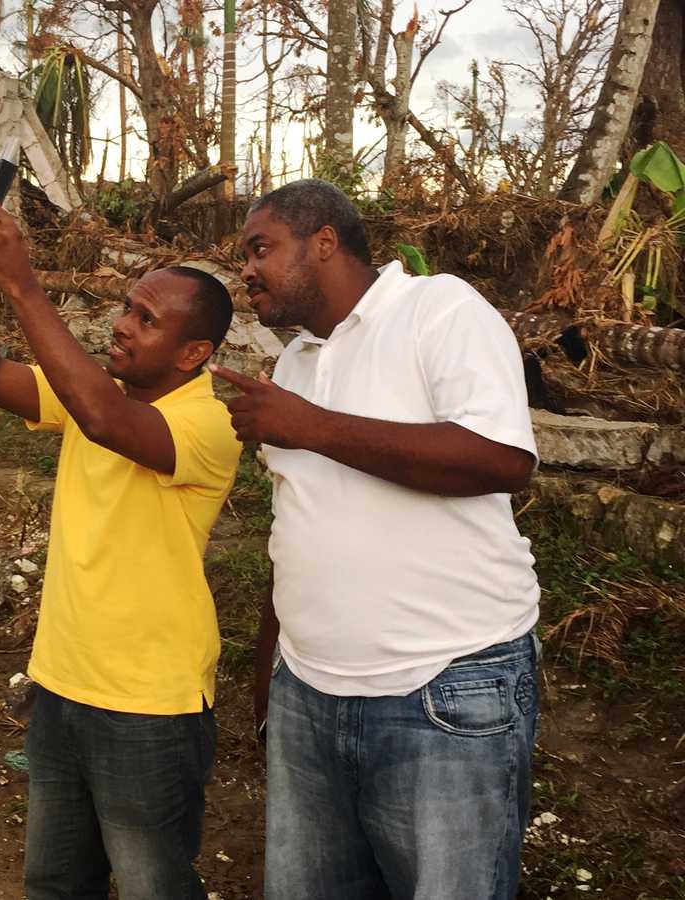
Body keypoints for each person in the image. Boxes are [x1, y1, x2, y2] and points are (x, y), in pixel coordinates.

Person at [210, 179, 541, 900]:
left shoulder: (438, 309)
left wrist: (311, 427)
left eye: (260, 248)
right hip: (309, 695)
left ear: (324, 242)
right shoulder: (296, 363)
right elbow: (297, 523)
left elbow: (502, 459)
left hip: (445, 688)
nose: (247, 270)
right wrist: (272, 678)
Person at [0, 191, 242, 900]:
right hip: (59, 684)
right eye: (126, 308)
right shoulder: (95, 391)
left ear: (194, 352)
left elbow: (106, 421)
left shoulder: (208, 426)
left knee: (153, 888)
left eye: (147, 319)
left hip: (150, 705)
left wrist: (22, 283)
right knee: (55, 883)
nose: (122, 326)